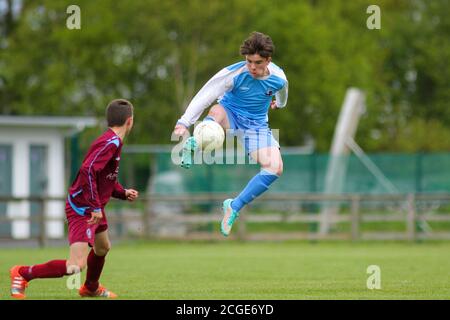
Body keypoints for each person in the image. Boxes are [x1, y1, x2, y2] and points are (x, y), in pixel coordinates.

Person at [10, 99, 139, 299]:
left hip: (92, 205)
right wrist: (95, 206)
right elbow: (88, 170)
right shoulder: (110, 143)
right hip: (83, 208)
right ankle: (22, 273)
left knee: (103, 247)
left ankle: (90, 287)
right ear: (129, 121)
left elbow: (103, 177)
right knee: (75, 265)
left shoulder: (112, 141)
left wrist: (122, 192)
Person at [173, 31, 288, 237]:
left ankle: (234, 206)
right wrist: (184, 121)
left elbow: (283, 91)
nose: (252, 67)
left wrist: (278, 104)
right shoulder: (234, 73)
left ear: (268, 60)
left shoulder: (278, 78)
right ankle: (194, 143)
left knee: (275, 168)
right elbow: (206, 94)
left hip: (256, 126)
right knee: (216, 111)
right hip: (230, 113)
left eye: (258, 62)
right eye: (249, 61)